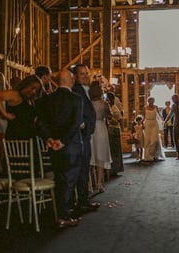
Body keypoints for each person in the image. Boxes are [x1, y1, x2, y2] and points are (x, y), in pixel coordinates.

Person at [35, 69, 83, 227]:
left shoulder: (47, 100)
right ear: (71, 80)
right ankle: (64, 216)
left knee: (59, 179)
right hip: (71, 146)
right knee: (69, 181)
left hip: (53, 147)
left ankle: (60, 214)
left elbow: (39, 122)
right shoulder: (76, 99)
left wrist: (48, 138)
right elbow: (76, 123)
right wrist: (62, 141)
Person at [70, 64, 99, 212]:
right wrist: (84, 125)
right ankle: (81, 202)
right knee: (81, 170)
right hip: (80, 137)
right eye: (82, 74)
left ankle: (83, 200)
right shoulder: (75, 91)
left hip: (85, 135)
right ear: (75, 76)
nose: (86, 76)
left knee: (84, 169)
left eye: (87, 73)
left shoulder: (84, 90)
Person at [0, 76, 40, 140]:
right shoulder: (16, 94)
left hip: (28, 137)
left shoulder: (29, 99)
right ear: (26, 84)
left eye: (36, 90)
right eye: (32, 88)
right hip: (16, 137)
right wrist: (5, 114)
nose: (34, 91)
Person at [88, 80, 112, 192]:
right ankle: (99, 184)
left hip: (90, 129)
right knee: (100, 157)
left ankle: (88, 184)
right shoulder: (104, 103)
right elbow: (110, 116)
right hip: (101, 128)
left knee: (90, 155)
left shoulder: (87, 103)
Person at [141, 97, 166, 163]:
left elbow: (159, 115)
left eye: (152, 100)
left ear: (154, 101)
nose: (151, 102)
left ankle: (154, 155)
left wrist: (163, 120)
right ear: (148, 101)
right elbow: (143, 117)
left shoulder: (156, 107)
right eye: (150, 100)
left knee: (154, 140)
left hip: (154, 124)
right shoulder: (144, 108)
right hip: (147, 124)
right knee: (147, 140)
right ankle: (148, 156)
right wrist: (142, 124)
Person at [106, 92, 124, 175]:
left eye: (107, 98)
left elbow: (120, 119)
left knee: (115, 150)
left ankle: (115, 169)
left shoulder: (114, 108)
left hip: (115, 130)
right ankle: (112, 169)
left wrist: (113, 120)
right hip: (110, 129)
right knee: (112, 150)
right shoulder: (109, 107)